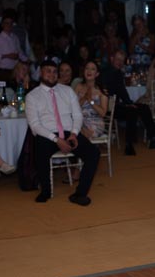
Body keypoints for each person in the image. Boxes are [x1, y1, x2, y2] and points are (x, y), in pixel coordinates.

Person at [25, 59, 100, 206]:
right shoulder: (32, 96)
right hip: (47, 134)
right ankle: (45, 191)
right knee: (40, 149)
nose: (52, 75)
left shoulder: (67, 91)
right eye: (48, 71)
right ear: (41, 73)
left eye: (54, 72)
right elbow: (35, 125)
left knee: (93, 153)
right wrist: (56, 140)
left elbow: (77, 115)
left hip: (68, 132)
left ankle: (80, 193)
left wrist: (73, 133)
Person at [98, 49, 155, 155]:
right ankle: (131, 144)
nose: (120, 62)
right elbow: (120, 91)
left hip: (114, 105)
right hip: (108, 107)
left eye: (122, 60)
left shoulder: (112, 71)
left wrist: (129, 103)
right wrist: (129, 103)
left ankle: (152, 139)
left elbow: (121, 92)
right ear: (112, 59)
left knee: (143, 108)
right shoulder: (110, 72)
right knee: (133, 110)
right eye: (118, 59)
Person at [74, 61, 108, 140]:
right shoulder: (79, 86)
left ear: (97, 74)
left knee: (81, 133)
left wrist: (90, 101)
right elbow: (73, 107)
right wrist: (84, 98)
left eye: (92, 69)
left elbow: (103, 113)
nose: (89, 71)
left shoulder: (101, 90)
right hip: (79, 120)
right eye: (87, 68)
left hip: (95, 122)